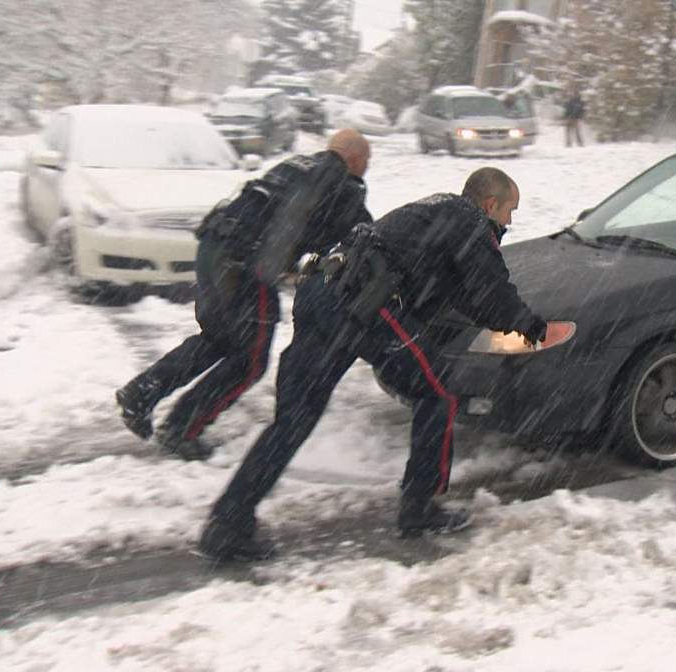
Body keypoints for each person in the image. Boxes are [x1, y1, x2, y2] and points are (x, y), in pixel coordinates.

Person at [198, 167, 547, 561]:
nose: (510, 221)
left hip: (323, 293)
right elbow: (490, 291)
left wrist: (495, 318)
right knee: (439, 393)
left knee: (293, 420)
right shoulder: (470, 221)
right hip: (367, 303)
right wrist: (528, 324)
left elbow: (460, 291)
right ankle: (420, 508)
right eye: (509, 211)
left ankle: (228, 523)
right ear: (490, 204)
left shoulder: (435, 210)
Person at [114, 129, 373, 460]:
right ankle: (181, 428)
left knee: (218, 340)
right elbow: (359, 237)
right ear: (354, 158)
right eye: (367, 160)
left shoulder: (296, 164)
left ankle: (141, 394)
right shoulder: (342, 184)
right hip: (244, 265)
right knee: (250, 361)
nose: (367, 168)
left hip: (214, 248)